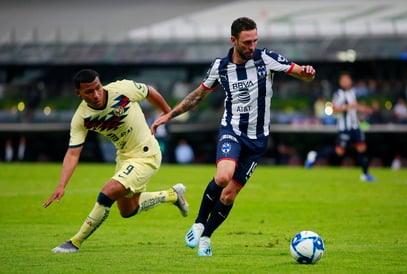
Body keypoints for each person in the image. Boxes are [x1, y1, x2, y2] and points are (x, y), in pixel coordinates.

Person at [151, 17, 316, 256]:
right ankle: (198, 223)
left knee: (228, 196)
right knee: (223, 176)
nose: (252, 46)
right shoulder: (220, 66)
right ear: (234, 40)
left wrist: (308, 73)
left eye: (255, 41)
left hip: (258, 140)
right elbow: (198, 96)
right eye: (247, 42)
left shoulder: (265, 58)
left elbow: (300, 72)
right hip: (232, 131)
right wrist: (169, 115)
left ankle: (206, 237)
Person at [43, 69, 188, 253]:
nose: (96, 94)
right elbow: (73, 153)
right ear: (78, 93)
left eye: (97, 88)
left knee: (107, 193)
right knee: (128, 211)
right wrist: (61, 185)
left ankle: (75, 242)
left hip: (146, 153)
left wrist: (169, 113)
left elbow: (149, 91)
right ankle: (172, 195)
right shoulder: (81, 118)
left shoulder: (122, 89)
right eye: (88, 91)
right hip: (124, 157)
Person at [305, 72, 375, 182]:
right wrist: (347, 107)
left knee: (362, 148)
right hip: (344, 127)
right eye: (344, 80)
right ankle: (315, 156)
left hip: (355, 126)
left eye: (348, 79)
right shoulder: (339, 94)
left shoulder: (352, 92)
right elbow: (334, 109)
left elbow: (354, 106)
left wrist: (364, 109)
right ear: (341, 82)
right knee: (339, 151)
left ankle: (365, 174)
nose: (347, 81)